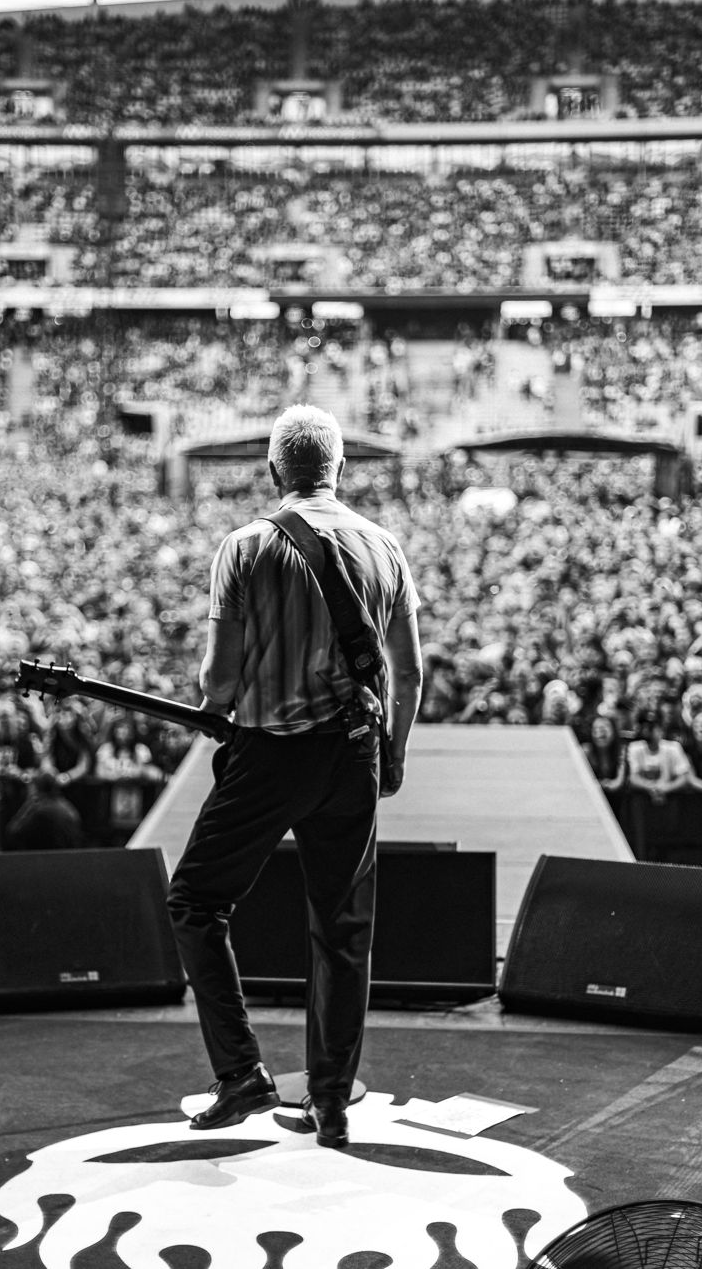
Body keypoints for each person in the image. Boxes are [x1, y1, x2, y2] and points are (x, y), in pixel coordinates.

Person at [166, 404, 422, 1150]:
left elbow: (216, 685)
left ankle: (241, 1072)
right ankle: (332, 1102)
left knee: (196, 903)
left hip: (270, 753)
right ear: (340, 469)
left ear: (273, 470)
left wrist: (224, 686)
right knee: (342, 929)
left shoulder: (245, 548)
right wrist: (393, 752)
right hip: (352, 756)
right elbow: (409, 672)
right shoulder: (384, 546)